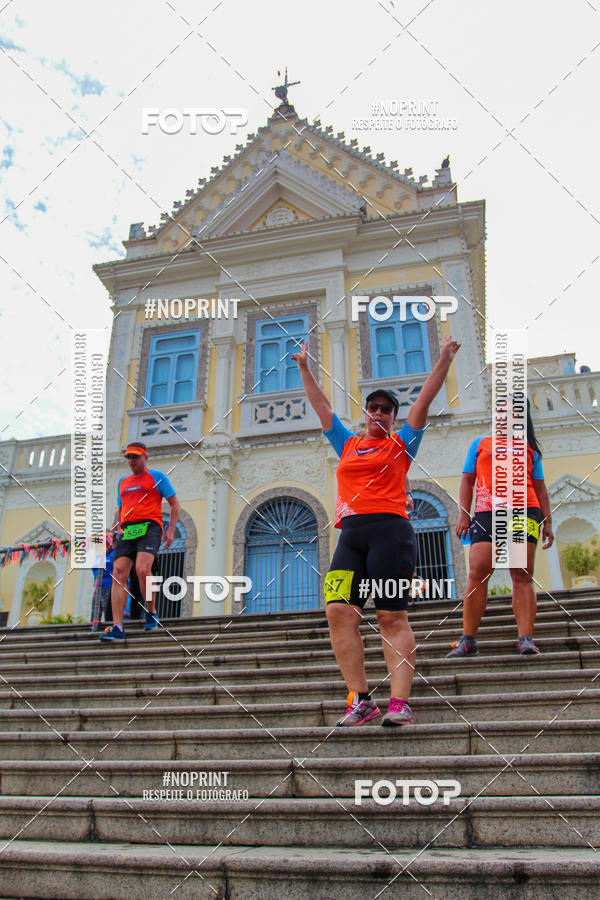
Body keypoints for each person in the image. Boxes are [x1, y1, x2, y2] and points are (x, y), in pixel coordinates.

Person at [292, 334, 460, 726]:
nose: (379, 413)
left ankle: (400, 704)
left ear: (393, 418)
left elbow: (423, 403)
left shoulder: (402, 444)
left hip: (391, 534)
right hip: (350, 536)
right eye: (373, 407)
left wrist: (445, 360)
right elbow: (322, 407)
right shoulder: (347, 444)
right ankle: (360, 700)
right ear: (365, 413)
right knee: (337, 611)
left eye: (386, 410)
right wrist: (304, 367)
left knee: (391, 616)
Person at [448, 399, 554, 657]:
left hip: (524, 511)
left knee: (521, 573)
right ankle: (468, 640)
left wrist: (547, 522)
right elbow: (467, 481)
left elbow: (539, 487)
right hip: (487, 512)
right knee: (478, 571)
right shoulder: (480, 443)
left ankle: (526, 638)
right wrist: (464, 515)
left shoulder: (529, 449)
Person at [100, 442, 180, 642]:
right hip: (127, 530)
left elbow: (175, 503)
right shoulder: (123, 482)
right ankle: (117, 626)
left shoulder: (157, 477)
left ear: (145, 457)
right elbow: (120, 510)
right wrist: (113, 531)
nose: (131, 461)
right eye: (128, 457)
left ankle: (151, 611)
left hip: (149, 526)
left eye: (135, 456)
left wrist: (170, 530)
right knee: (118, 574)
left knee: (142, 569)